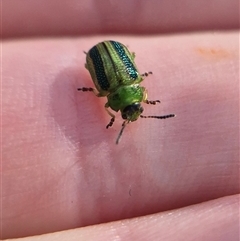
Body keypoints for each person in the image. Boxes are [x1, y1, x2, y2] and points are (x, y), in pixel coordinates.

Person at [2, 1, 239, 240]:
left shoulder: (126, 88)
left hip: (107, 55)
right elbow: (108, 101)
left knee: (103, 89)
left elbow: (113, 100)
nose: (132, 113)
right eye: (134, 109)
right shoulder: (116, 91)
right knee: (101, 91)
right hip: (107, 54)